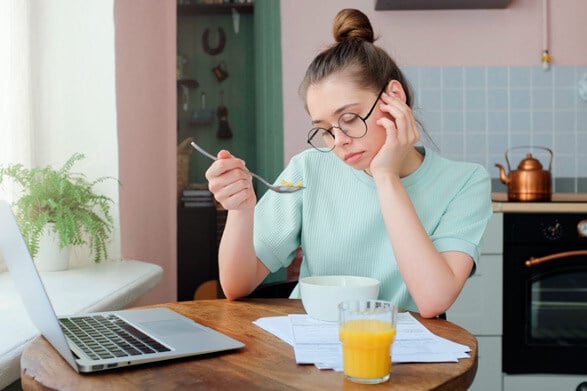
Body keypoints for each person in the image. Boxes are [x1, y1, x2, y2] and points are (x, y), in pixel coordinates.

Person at [204, 8, 492, 318]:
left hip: (398, 357)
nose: (338, 140)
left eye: (350, 119)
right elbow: (236, 285)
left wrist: (386, 177)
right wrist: (241, 209)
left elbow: (433, 299)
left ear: (394, 97)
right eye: (325, 130)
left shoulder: (465, 182)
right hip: (307, 352)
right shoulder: (309, 169)